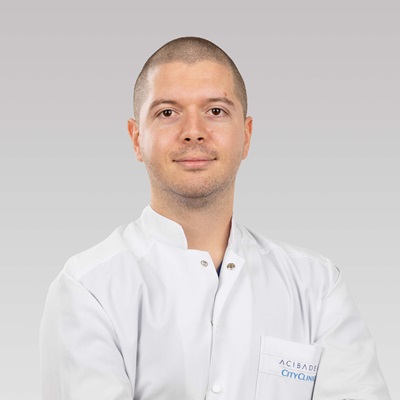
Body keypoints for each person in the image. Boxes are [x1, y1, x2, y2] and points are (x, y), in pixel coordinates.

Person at [39, 37, 391, 400]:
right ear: (136, 138)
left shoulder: (316, 286)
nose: (193, 131)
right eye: (167, 113)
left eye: (216, 111)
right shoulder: (88, 289)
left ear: (246, 136)